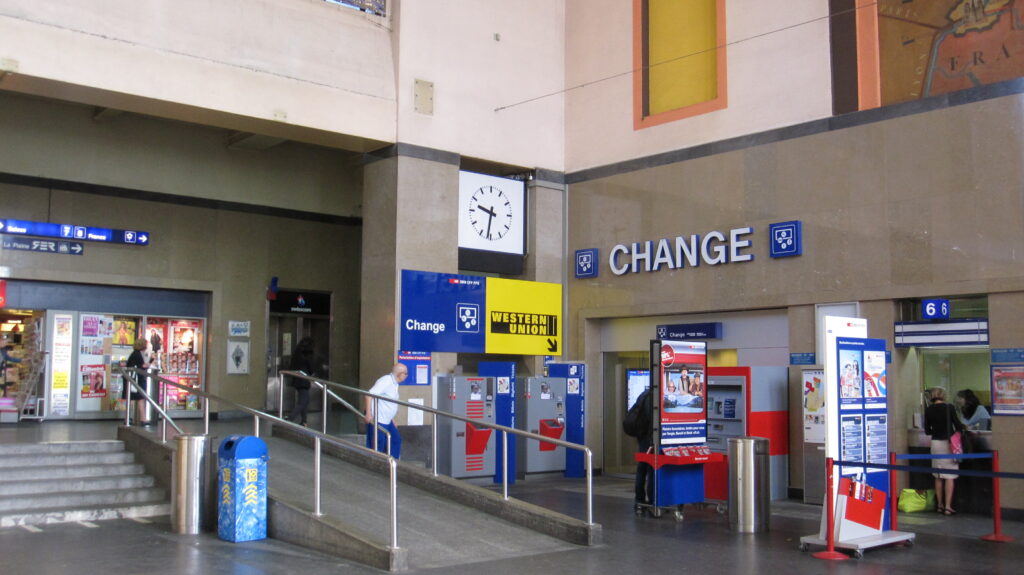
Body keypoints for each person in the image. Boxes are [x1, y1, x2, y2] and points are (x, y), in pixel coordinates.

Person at [924, 387, 965, 515]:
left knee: (938, 476)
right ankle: (948, 507)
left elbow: (927, 430)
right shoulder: (949, 408)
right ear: (943, 396)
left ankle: (939, 505)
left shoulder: (929, 409)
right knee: (950, 476)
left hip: (935, 444)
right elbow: (958, 425)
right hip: (949, 444)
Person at [364, 363, 407, 459]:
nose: (406, 376)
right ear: (399, 374)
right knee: (378, 444)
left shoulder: (395, 383)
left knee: (396, 440)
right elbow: (368, 395)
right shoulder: (385, 381)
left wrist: (392, 419)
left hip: (387, 419)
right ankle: (377, 464)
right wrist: (368, 413)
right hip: (378, 419)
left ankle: (393, 463)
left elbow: (390, 403)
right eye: (405, 373)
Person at [632, 385, 655, 514]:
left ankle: (639, 499)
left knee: (642, 468)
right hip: (649, 438)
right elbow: (652, 420)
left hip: (642, 437)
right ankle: (652, 500)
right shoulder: (653, 397)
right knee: (651, 468)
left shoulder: (644, 394)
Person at [288, 337, 317, 426]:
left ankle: (304, 421)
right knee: (303, 401)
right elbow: (310, 365)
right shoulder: (307, 353)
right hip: (303, 380)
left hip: (297, 379)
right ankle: (290, 418)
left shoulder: (297, 352)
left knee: (304, 400)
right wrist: (313, 373)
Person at [123, 339, 150, 422]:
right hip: (136, 380)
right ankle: (143, 419)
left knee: (131, 399)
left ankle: (129, 418)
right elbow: (142, 367)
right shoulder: (138, 354)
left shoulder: (134, 354)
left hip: (131, 379)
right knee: (140, 398)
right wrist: (150, 362)